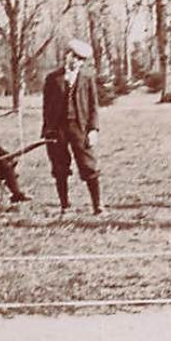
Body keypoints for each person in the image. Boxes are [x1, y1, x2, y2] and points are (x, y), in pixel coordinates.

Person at [41, 38, 102, 214]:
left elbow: (93, 106)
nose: (75, 60)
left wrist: (93, 130)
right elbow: (47, 107)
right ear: (67, 56)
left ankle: (97, 205)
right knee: (59, 167)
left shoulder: (87, 78)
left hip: (79, 126)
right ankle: (65, 205)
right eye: (72, 56)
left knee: (88, 165)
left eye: (79, 59)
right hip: (57, 128)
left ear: (83, 62)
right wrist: (47, 130)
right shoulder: (53, 79)